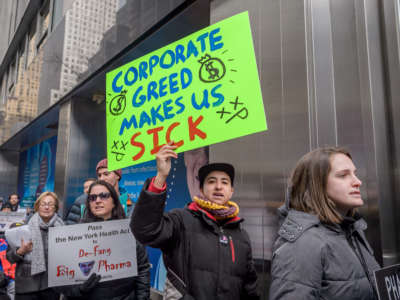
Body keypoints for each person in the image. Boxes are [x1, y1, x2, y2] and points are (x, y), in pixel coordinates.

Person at [131, 143, 259, 300]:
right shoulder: (181, 220)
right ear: (201, 188)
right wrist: (160, 178)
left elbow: (250, 289)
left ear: (231, 191)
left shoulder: (242, 236)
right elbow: (145, 230)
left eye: (224, 182)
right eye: (211, 181)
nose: (218, 187)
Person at [269, 147, 381, 300]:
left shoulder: (353, 231)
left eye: (355, 174)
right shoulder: (303, 244)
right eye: (343, 175)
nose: (358, 182)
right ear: (316, 185)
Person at [58, 180, 150, 300]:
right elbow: (62, 278)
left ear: (114, 202)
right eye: (92, 197)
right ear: (88, 203)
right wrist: (77, 289)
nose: (97, 200)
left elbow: (142, 268)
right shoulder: (75, 235)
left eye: (104, 196)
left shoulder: (128, 231)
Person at [6, 192, 64, 300]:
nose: (46, 207)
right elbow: (9, 257)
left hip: (51, 288)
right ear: (37, 207)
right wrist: (20, 252)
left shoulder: (62, 229)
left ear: (56, 208)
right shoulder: (23, 227)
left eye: (50, 204)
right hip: (26, 288)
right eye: (43, 204)